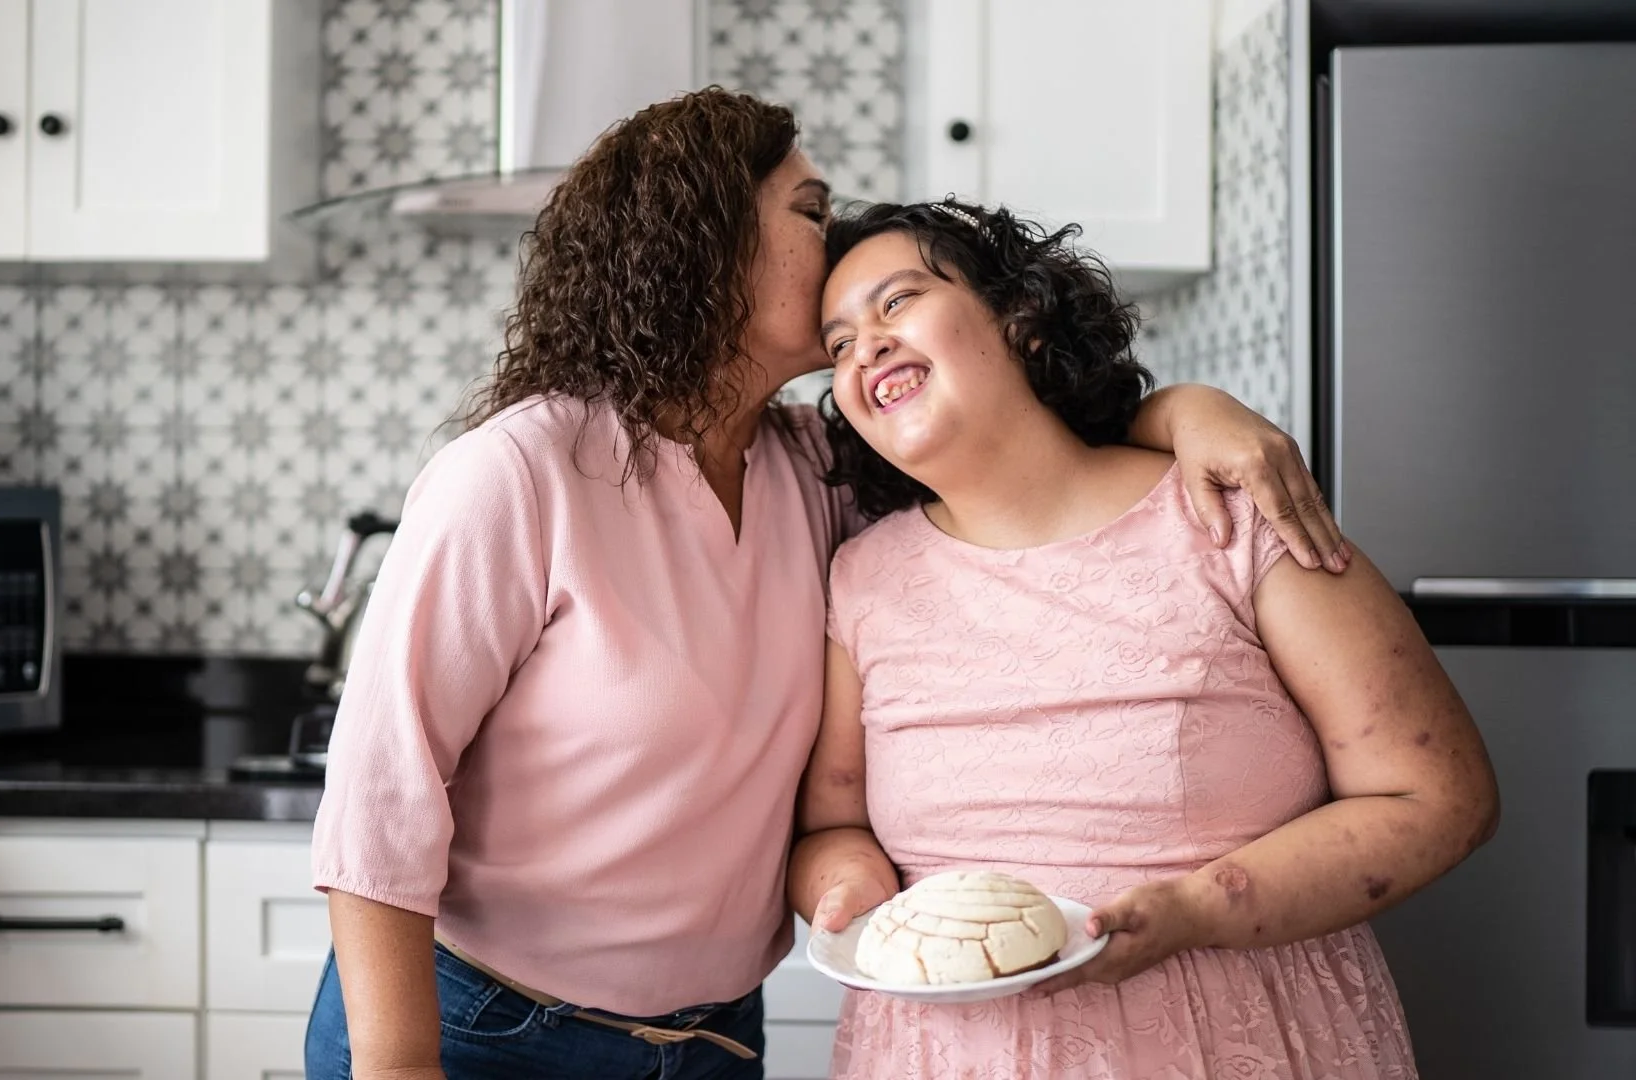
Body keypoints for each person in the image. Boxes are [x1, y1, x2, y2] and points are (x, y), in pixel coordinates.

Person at [305, 89, 1349, 1080]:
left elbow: (1020, 435)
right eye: (811, 211)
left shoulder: (811, 464)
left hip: (712, 1041)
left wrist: (1189, 410)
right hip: (484, 1035)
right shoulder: (521, 473)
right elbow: (379, 797)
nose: (837, 236)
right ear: (706, 245)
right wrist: (400, 1067)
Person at [791, 199, 1501, 1080]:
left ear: (1022, 319)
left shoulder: (1232, 517)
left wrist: (1201, 909)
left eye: (896, 303)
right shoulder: (860, 579)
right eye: (838, 343)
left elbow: (1438, 797)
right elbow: (832, 824)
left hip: (1244, 1042)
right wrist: (846, 892)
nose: (866, 346)